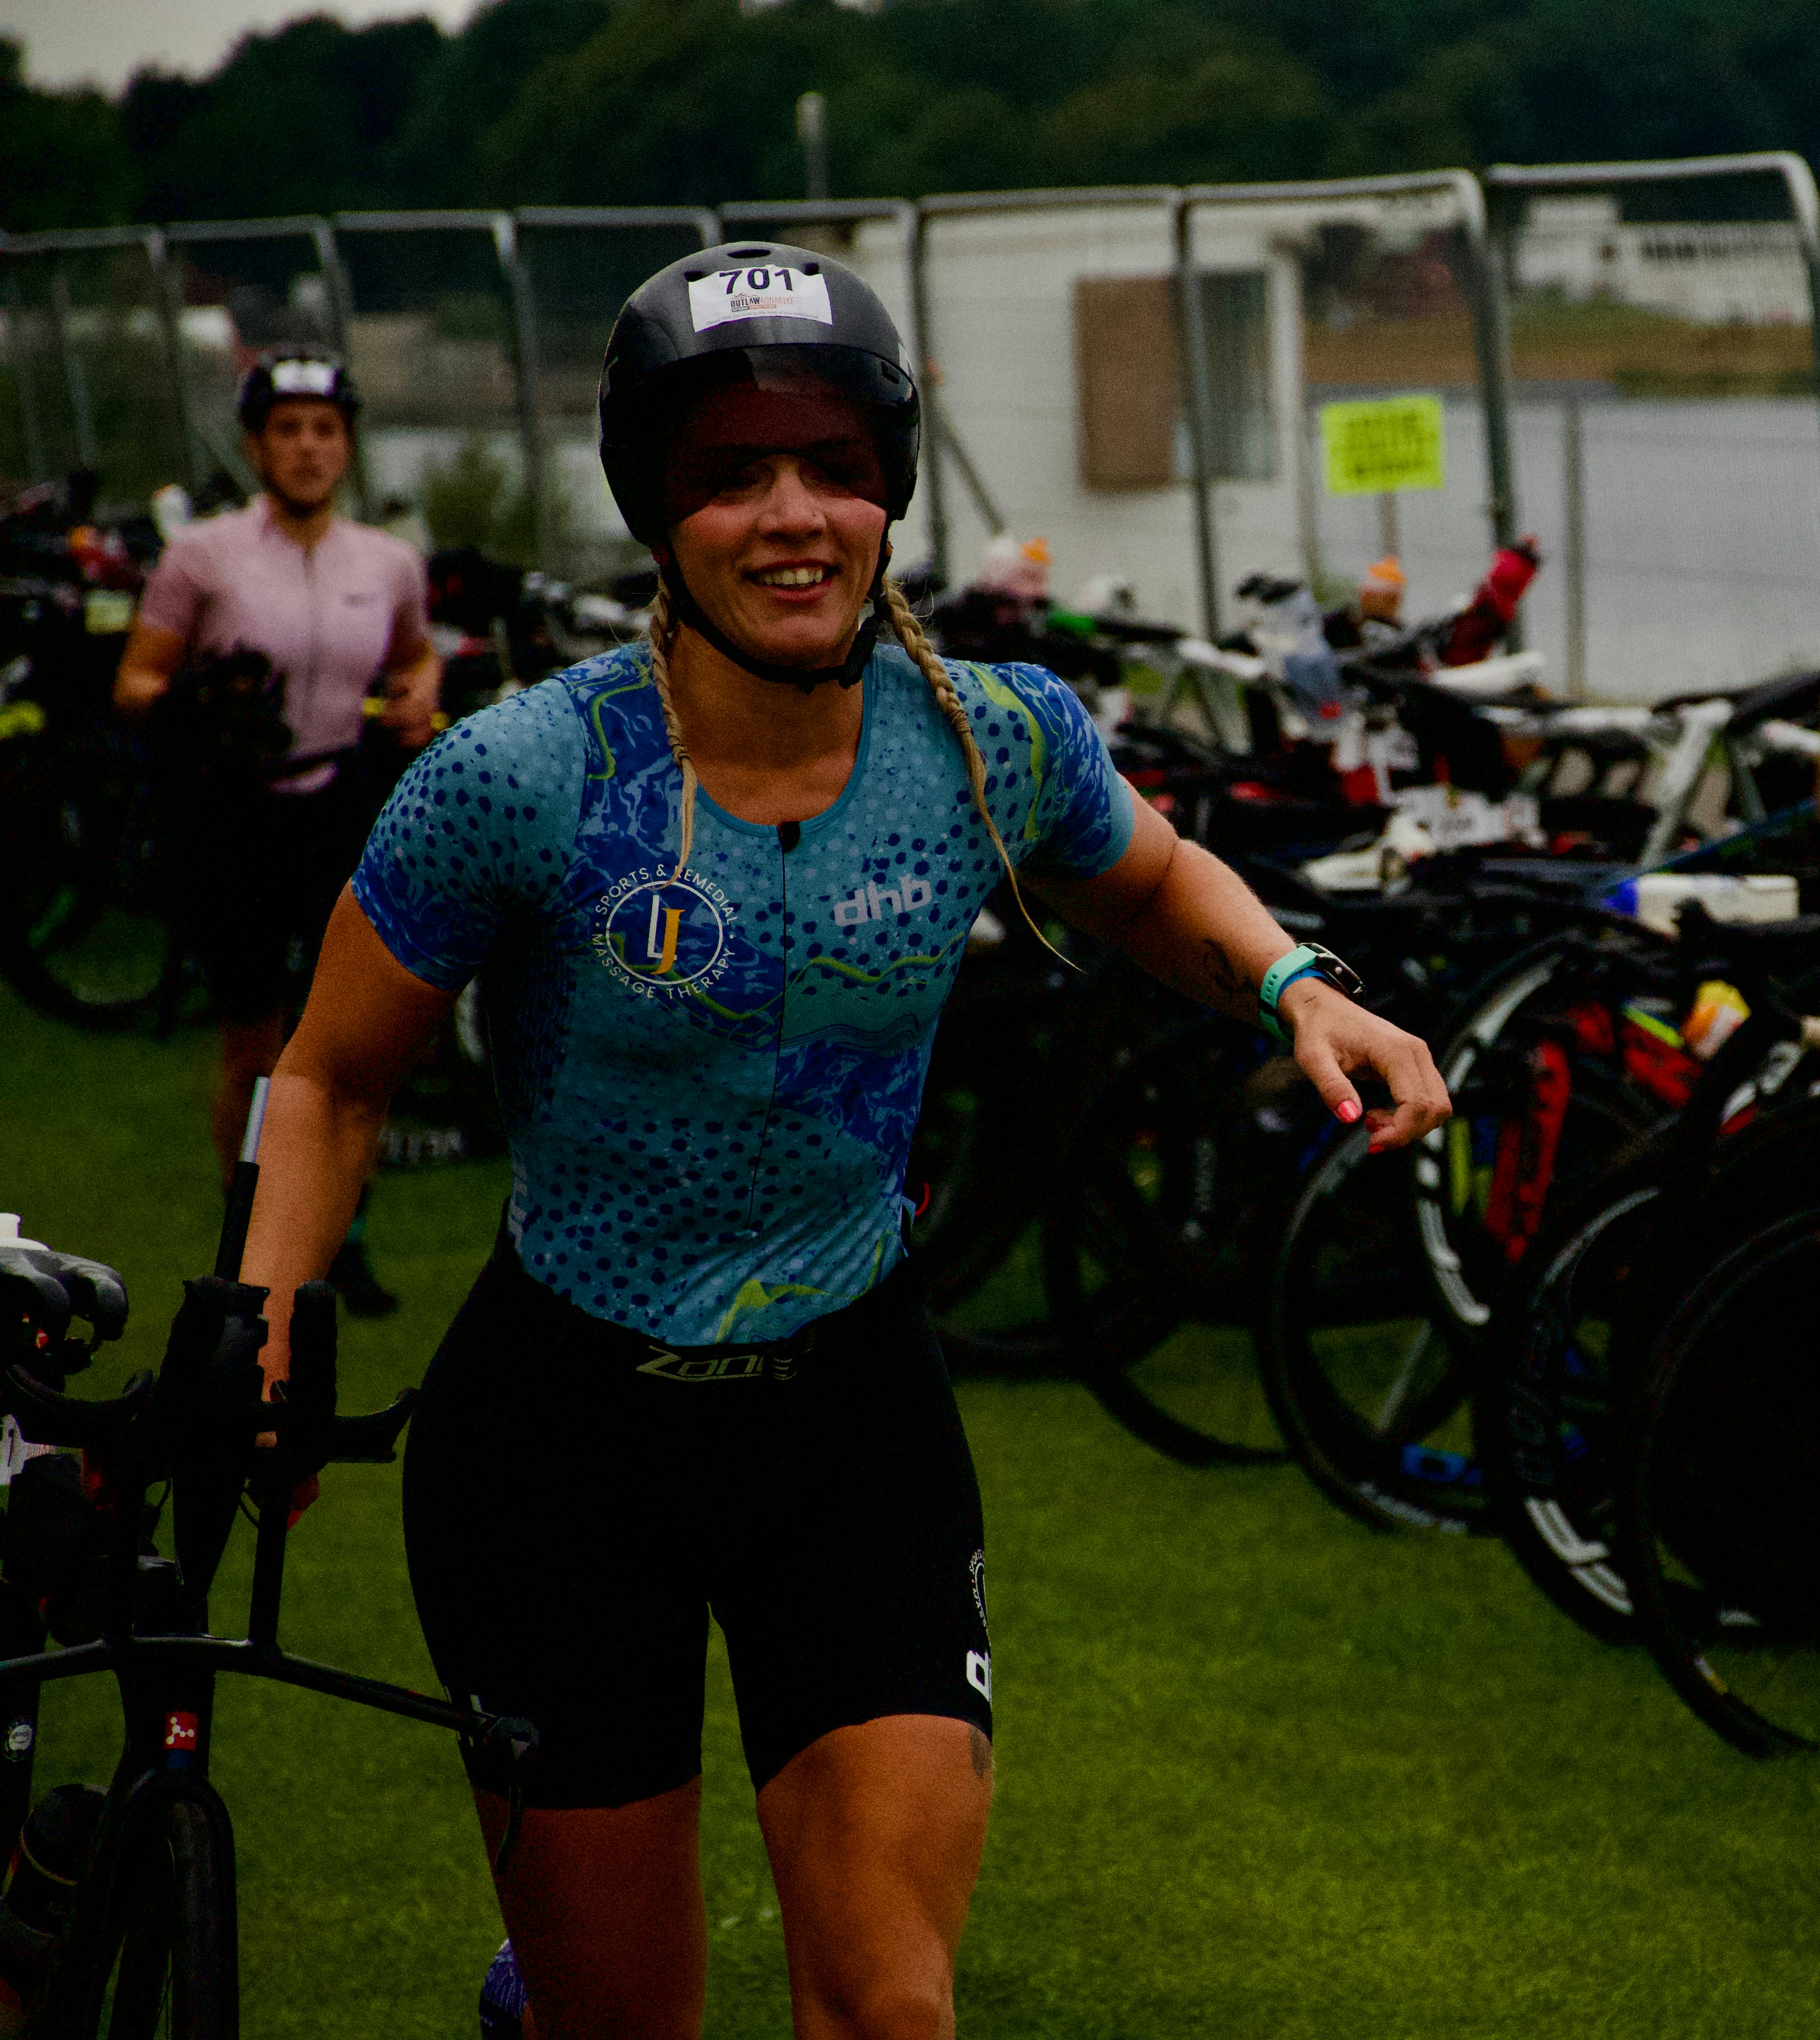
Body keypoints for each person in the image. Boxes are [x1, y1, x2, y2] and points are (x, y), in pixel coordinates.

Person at [235, 242, 1452, 2039]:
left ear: (886, 484)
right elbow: (331, 1080)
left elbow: (1150, 881)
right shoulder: (523, 778)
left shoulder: (986, 742)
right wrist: (261, 1336)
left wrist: (1296, 985)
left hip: (842, 1415)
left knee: (891, 2007)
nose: (789, 515)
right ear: (656, 507)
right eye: (729, 475)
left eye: (830, 467)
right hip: (561, 1439)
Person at [114, 347, 438, 1313]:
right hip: (233, 812)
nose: (307, 449)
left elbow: (417, 661)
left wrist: (417, 699)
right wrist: (190, 703)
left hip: (339, 801)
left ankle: (348, 1244)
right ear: (257, 445)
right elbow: (133, 684)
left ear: (347, 447)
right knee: (255, 1044)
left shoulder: (387, 562)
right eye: (287, 431)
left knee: (349, 1042)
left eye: (325, 431)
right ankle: (247, 1233)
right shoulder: (202, 556)